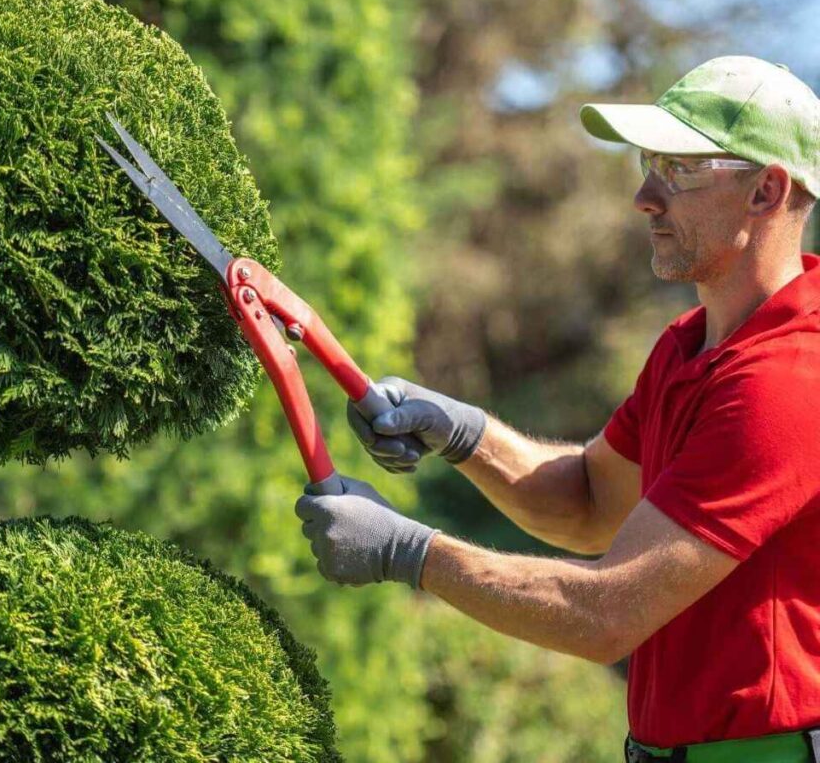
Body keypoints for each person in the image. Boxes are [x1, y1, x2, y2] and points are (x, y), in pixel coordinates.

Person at [294, 55, 820, 762]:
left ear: (766, 191)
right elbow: (590, 503)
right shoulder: (689, 346)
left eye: (678, 168)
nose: (644, 196)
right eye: (648, 162)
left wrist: (407, 551)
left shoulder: (789, 376)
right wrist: (462, 432)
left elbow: (606, 614)